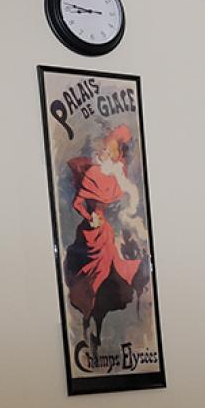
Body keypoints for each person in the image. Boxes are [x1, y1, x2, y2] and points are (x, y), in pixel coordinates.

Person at [64, 124, 150, 356]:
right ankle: (88, 311)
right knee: (96, 270)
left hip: (108, 230)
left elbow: (127, 201)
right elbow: (77, 204)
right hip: (93, 228)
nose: (106, 154)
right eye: (103, 150)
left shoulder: (116, 175)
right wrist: (90, 216)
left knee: (116, 260)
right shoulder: (92, 174)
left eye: (110, 151)